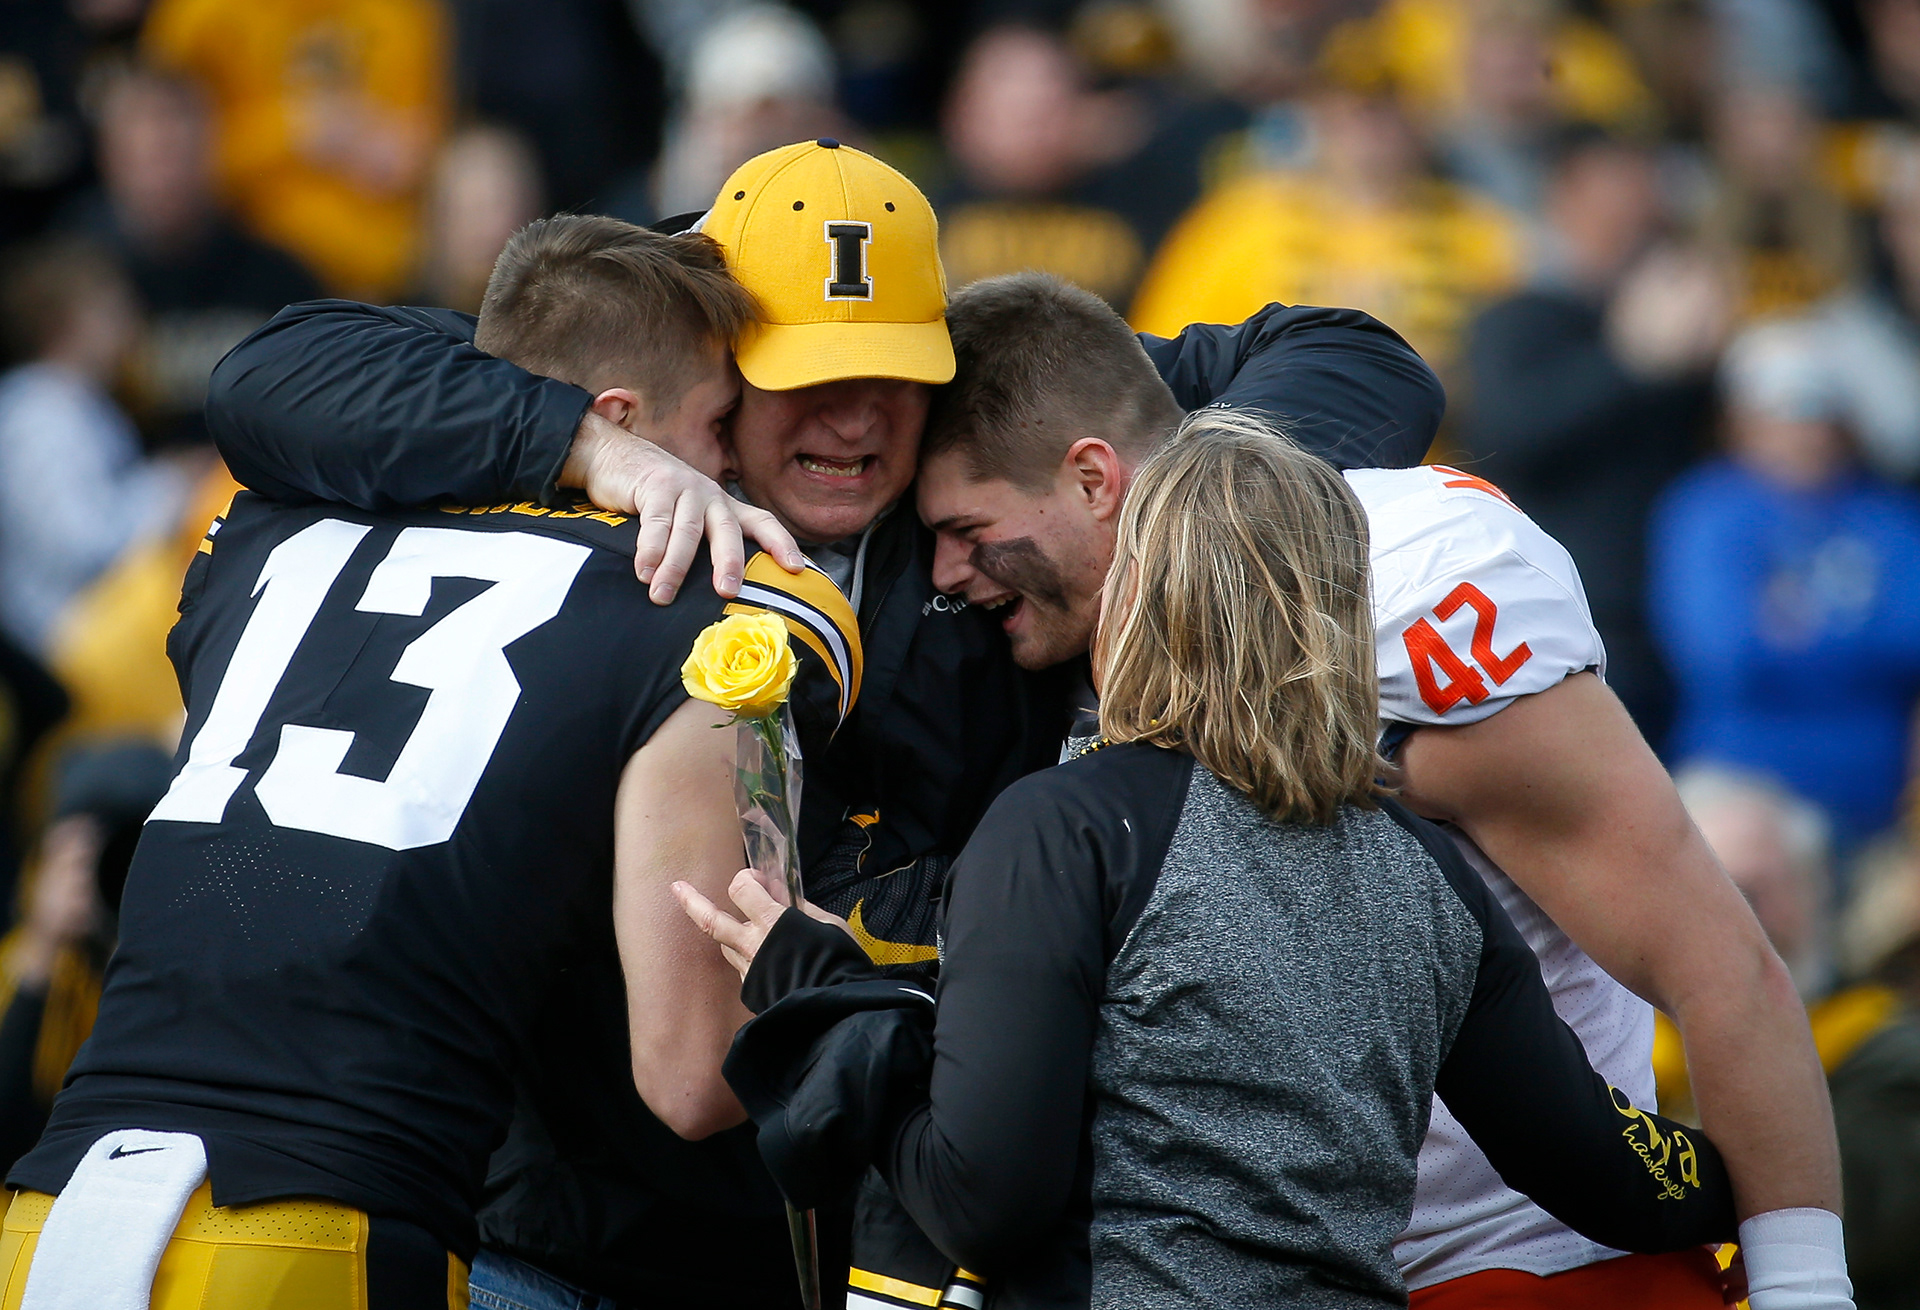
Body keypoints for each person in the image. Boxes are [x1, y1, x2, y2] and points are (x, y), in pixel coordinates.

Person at [196, 140, 1444, 1309]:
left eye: (893, 380)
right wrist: (586, 451)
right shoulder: (610, 406)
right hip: (578, 1208)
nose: (854, 421)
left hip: (879, 1208)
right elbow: (269, 375)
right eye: (807, 380)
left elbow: (1356, 353)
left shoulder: (987, 427)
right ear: (722, 358)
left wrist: (1174, 513)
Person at [909, 273, 1850, 1308]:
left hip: (1520, 1258)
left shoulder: (1398, 594)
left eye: (968, 527)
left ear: (1094, 478)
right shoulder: (1090, 645)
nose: (947, 573)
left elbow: (1720, 966)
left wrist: (1802, 1283)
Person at [682, 411, 1742, 1309]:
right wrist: (1763, 1188)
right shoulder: (1431, 871)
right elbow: (1613, 1174)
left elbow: (982, 1198)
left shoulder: (1064, 829)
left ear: (1145, 591)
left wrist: (818, 988)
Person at [0, 215, 861, 1307]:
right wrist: (834, 977)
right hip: (327, 1221)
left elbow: (288, 378)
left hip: (54, 1204)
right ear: (622, 424)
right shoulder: (700, 611)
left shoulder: (267, 526)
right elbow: (690, 1076)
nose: (738, 457)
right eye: (721, 417)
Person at [1650, 317, 1920, 848]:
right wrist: (1861, 641)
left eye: (1818, 409)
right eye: (1783, 410)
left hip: (1879, 795)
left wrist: (1796, 627)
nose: (1804, 430)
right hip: (1745, 785)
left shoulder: (1888, 515)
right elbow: (1724, 656)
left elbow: (1911, 637)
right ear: (1741, 418)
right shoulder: (1707, 510)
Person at [0, 237, 192, 657]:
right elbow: (81, 542)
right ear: (64, 321)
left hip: (91, 636)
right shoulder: (42, 411)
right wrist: (174, 483)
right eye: (111, 308)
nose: (130, 321)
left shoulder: (78, 402)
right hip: (59, 645)